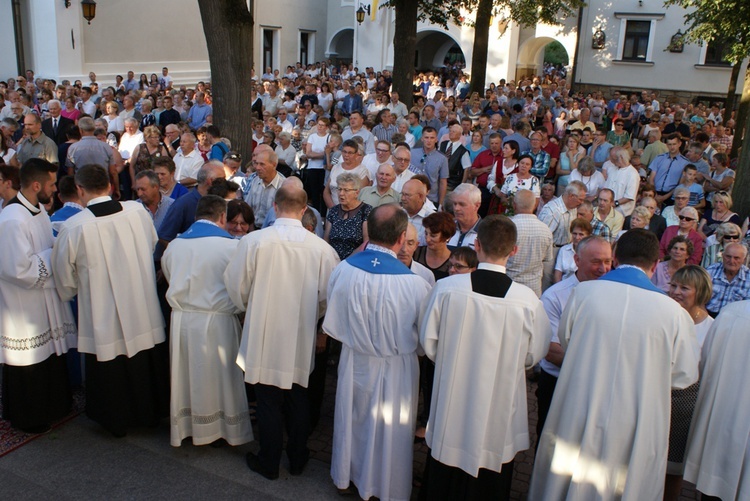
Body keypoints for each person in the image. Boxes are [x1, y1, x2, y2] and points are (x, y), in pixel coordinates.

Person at [529, 229, 700, 500]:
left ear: (616, 259)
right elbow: (683, 375)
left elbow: (567, 340)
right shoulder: (674, 314)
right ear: (656, 264)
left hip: (582, 402)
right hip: (638, 414)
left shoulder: (584, 294)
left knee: (568, 474)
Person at [419, 215, 552, 500]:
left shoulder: (447, 289)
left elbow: (429, 342)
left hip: (453, 394)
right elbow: (534, 354)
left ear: (476, 245)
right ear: (514, 250)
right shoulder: (527, 301)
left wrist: (450, 360)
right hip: (499, 401)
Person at [225, 183, 339, 480]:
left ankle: (269, 461)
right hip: (300, 332)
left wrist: (249, 306)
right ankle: (298, 458)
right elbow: (329, 295)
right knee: (297, 396)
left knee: (267, 400)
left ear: (275, 206)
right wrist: (315, 315)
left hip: (263, 327)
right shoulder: (322, 249)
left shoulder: (254, 242)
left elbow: (236, 285)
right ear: (304, 211)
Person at [52, 165, 168, 437]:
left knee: (110, 365)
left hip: (102, 309)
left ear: (79, 190)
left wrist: (72, 290)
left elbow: (64, 278)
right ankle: (150, 414)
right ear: (110, 185)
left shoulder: (74, 227)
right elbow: (152, 245)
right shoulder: (137, 212)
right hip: (141, 304)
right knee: (143, 358)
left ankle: (115, 422)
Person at [324, 204, 431, 500]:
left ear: (368, 232)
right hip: (397, 367)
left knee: (353, 419)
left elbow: (333, 314)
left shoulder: (344, 269)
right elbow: (423, 338)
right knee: (389, 429)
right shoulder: (416, 285)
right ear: (400, 238)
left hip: (355, 359)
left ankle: (348, 475)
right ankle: (385, 485)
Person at [161, 195, 253, 447]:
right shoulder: (232, 247)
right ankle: (224, 429)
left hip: (182, 321)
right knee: (219, 380)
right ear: (222, 217)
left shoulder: (176, 246)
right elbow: (241, 287)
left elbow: (169, 276)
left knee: (188, 377)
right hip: (219, 323)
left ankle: (190, 427)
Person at [0, 158, 76, 433]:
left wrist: (61, 246)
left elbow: (49, 241)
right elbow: (18, 269)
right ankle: (27, 416)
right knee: (29, 361)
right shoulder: (12, 219)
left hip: (43, 299)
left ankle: (54, 406)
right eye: (52, 184)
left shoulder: (38, 210)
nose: (56, 189)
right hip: (24, 304)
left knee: (49, 358)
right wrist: (54, 255)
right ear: (35, 185)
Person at [536, 236, 613, 439]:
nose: (603, 268)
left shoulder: (614, 294)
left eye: (607, 261)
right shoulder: (555, 296)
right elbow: (552, 351)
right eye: (596, 261)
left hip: (596, 388)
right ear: (577, 260)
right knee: (550, 441)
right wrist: (599, 368)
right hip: (558, 385)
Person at [683, 299, 750, 501]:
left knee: (713, 489)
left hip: (721, 419)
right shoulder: (732, 313)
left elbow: (704, 364)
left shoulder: (731, 313)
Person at [663, 265, 714, 501]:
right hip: (656, 397)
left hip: (685, 406)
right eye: (673, 285)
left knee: (672, 470)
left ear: (700, 292)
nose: (675, 291)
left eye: (684, 287)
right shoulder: (664, 315)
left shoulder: (711, 328)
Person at [507, 189, 554, 296]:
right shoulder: (545, 230)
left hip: (509, 285)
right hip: (533, 288)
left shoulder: (507, 227)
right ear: (534, 205)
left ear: (514, 205)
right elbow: (547, 258)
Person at [705, 242, 750, 317]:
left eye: (736, 258)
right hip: (708, 315)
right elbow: (698, 300)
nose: (732, 261)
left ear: (744, 260)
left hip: (735, 320)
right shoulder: (710, 271)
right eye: (728, 257)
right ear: (722, 256)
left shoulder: (748, 277)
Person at [414, 211, 456, 281]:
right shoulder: (415, 253)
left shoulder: (453, 261)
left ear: (447, 236)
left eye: (433, 236)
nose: (427, 239)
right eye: (426, 233)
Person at [553, 218, 592, 283]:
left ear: (588, 236)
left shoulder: (591, 252)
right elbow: (558, 273)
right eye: (574, 233)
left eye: (581, 234)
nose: (577, 237)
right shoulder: (564, 250)